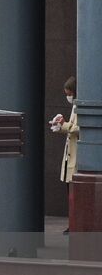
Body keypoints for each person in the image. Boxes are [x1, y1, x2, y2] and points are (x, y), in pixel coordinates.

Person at [53, 76, 80, 226]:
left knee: (73, 193)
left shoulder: (79, 106)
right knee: (70, 192)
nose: (68, 97)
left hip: (75, 155)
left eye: (69, 93)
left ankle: (74, 223)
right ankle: (73, 223)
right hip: (71, 153)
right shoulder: (76, 106)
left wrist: (64, 125)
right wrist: (62, 126)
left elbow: (80, 128)